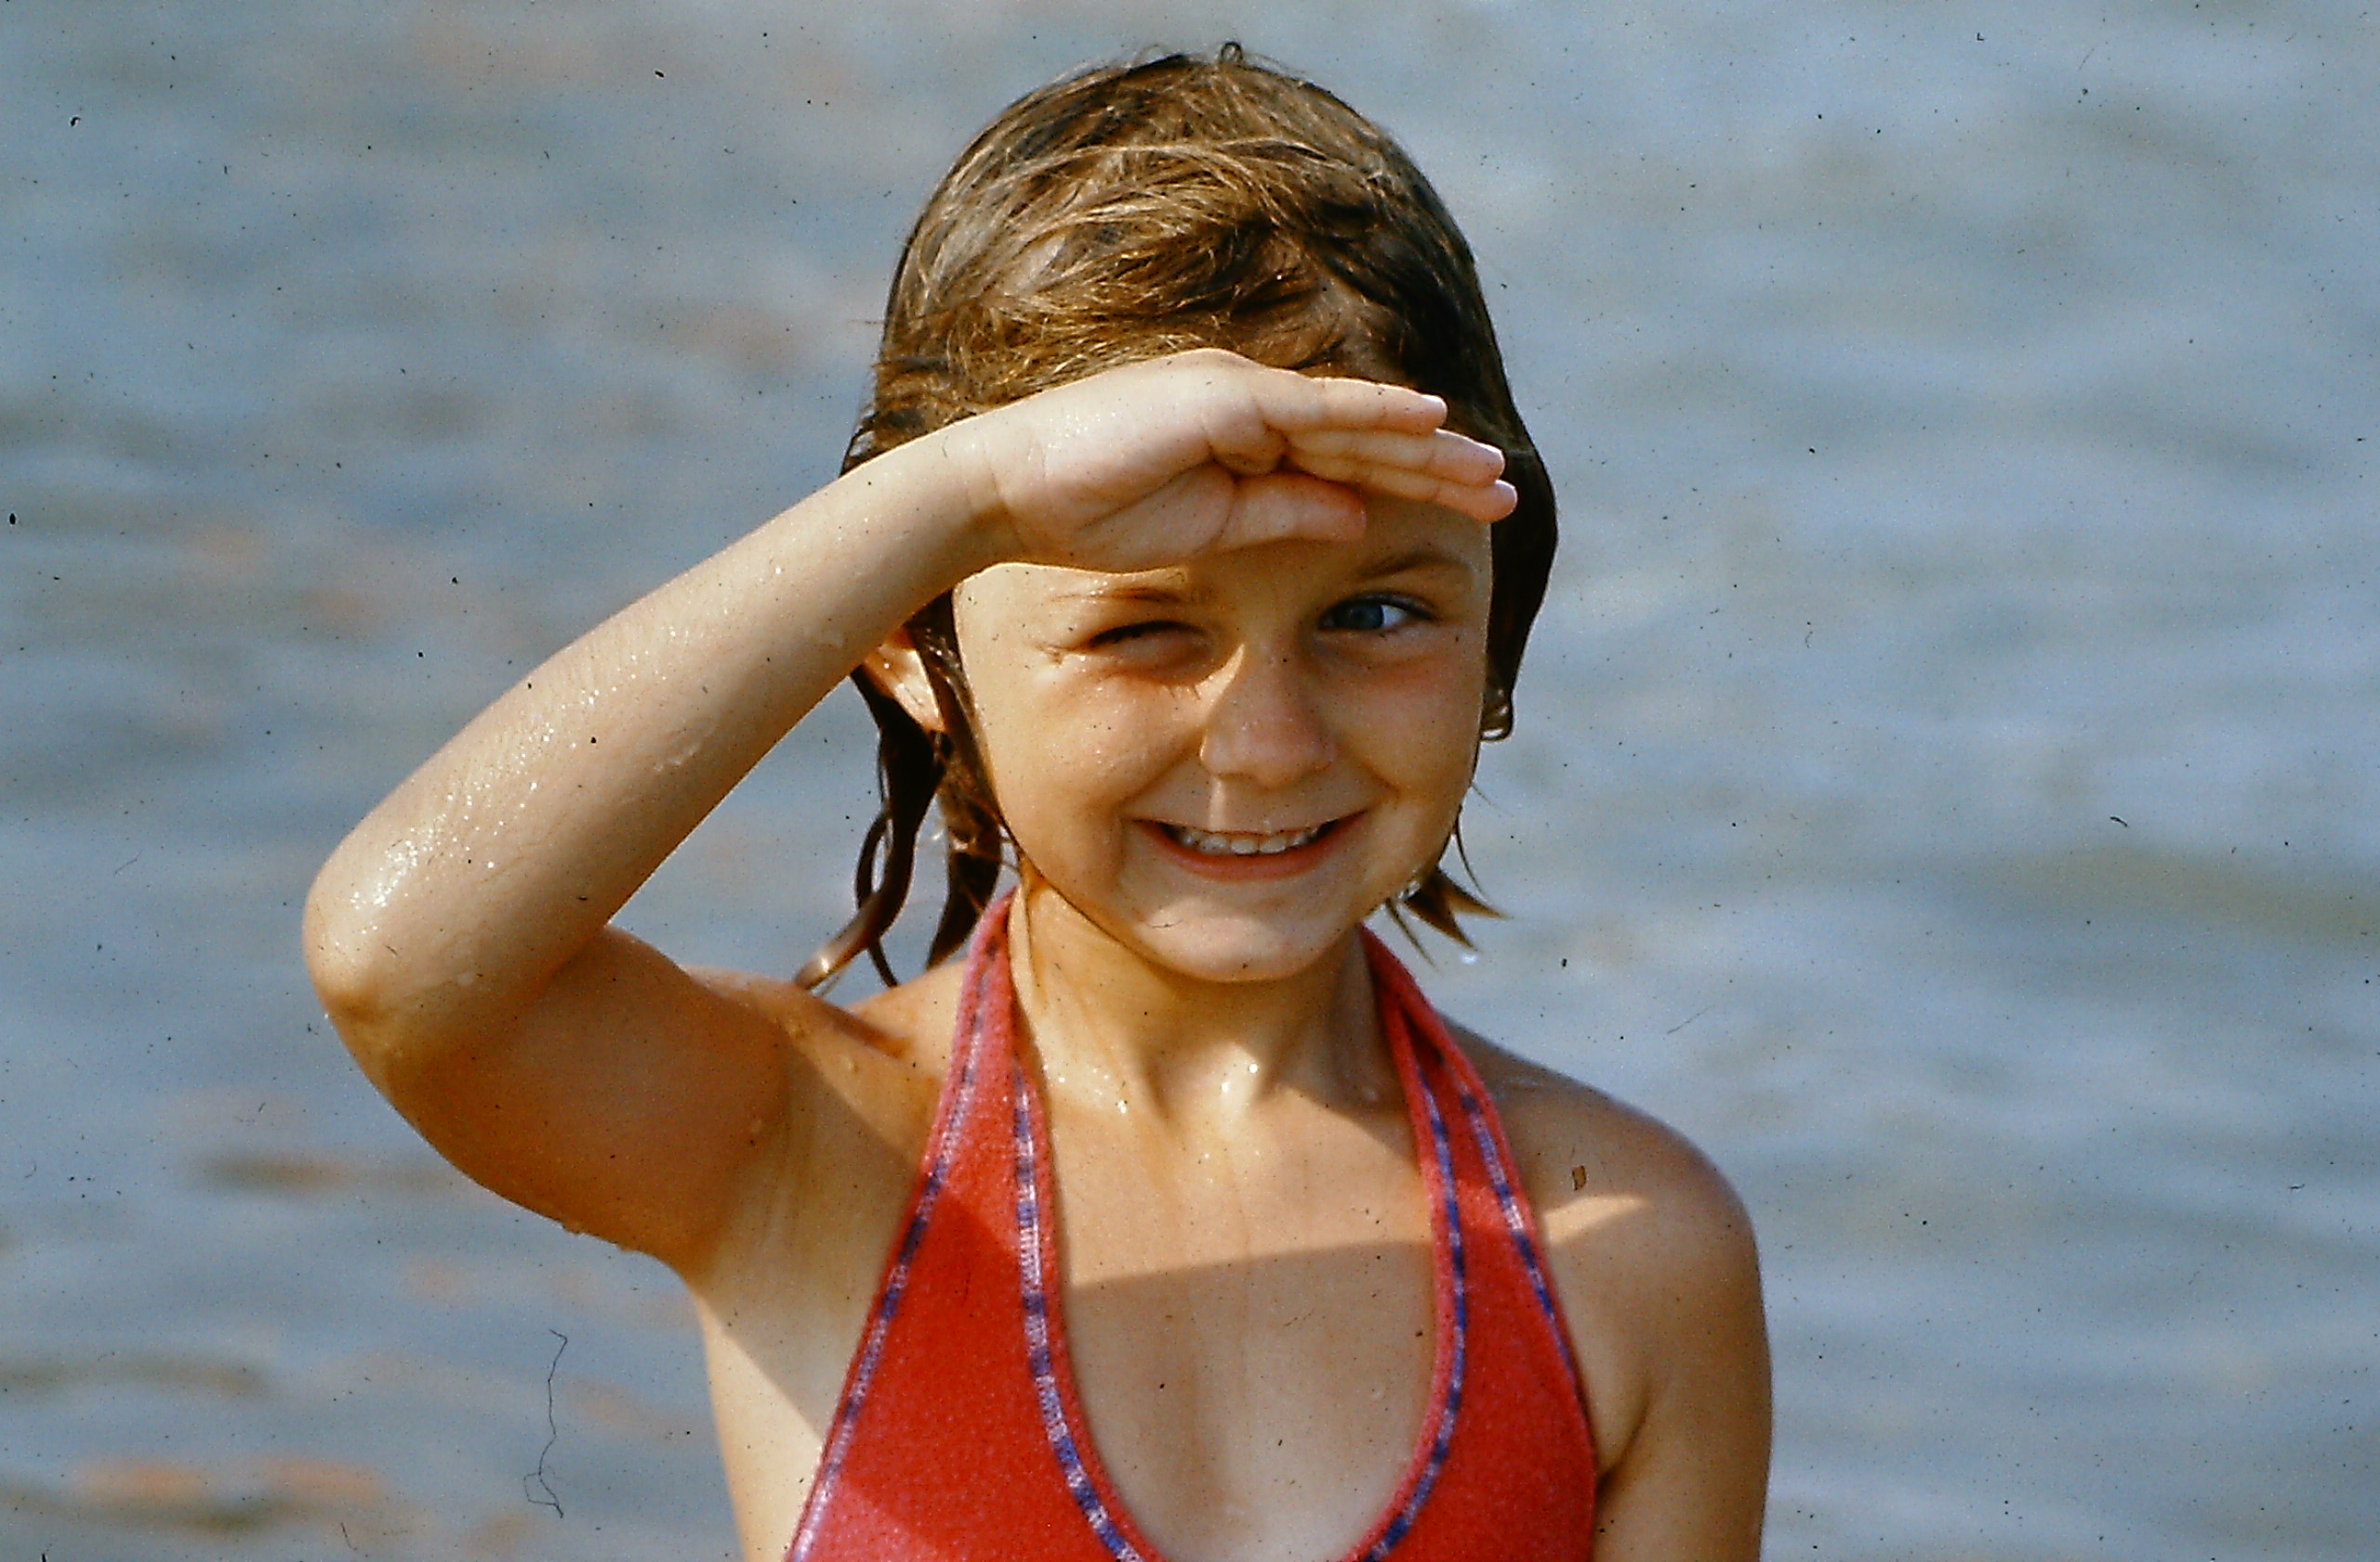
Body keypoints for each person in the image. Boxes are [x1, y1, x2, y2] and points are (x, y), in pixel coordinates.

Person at [303, 46, 1769, 1562]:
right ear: (911, 647)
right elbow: (398, 957)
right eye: (1144, 627)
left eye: (1377, 615)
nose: (1268, 745)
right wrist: (969, 494)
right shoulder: (812, 1152)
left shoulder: (1624, 1249)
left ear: (1499, 626)